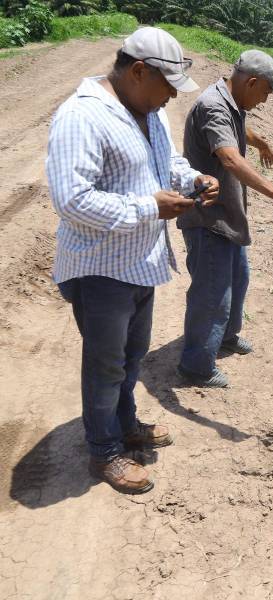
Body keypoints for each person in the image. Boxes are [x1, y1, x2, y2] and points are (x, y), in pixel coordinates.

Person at [46, 27, 219, 494]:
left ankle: (125, 424)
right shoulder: (82, 116)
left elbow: (166, 164)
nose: (171, 98)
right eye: (167, 87)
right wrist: (149, 207)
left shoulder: (148, 112)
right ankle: (104, 451)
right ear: (139, 71)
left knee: (130, 357)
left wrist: (193, 179)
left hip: (140, 262)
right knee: (105, 365)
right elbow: (72, 200)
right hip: (100, 269)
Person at [177, 50, 273, 388]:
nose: (265, 100)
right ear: (251, 82)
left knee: (238, 279)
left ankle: (224, 336)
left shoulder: (232, 103)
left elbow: (236, 129)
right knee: (213, 294)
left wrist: (259, 140)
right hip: (208, 218)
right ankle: (196, 366)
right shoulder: (213, 106)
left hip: (227, 215)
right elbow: (230, 159)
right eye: (265, 92)